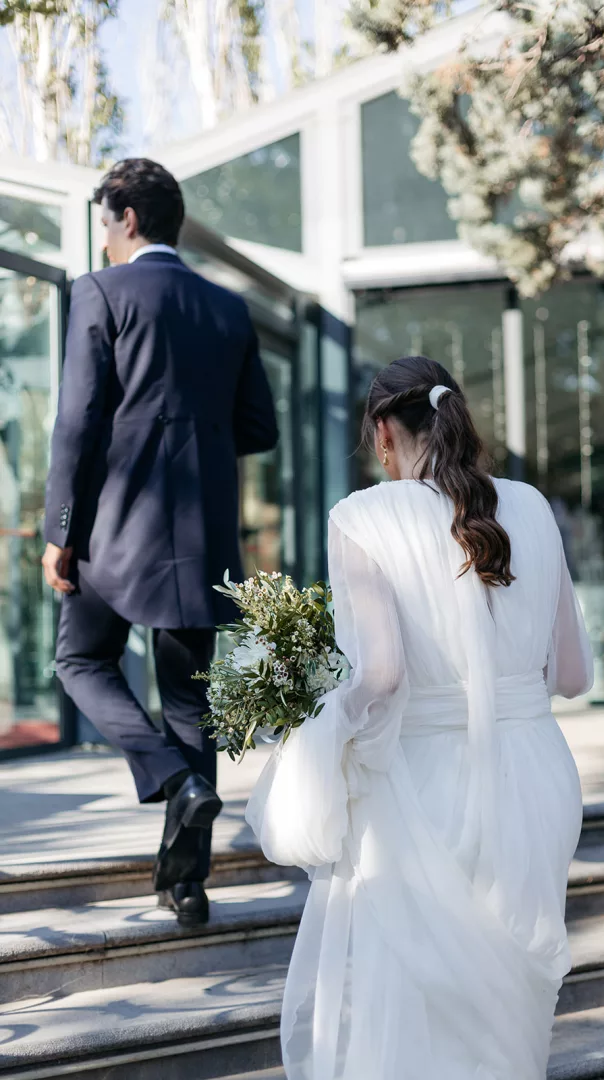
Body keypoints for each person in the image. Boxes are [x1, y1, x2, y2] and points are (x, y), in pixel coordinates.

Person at [246, 355, 593, 1079]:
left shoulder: (363, 517)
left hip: (426, 783)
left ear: (382, 433)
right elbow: (572, 675)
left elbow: (382, 674)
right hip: (537, 777)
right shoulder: (532, 505)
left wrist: (309, 712)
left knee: (418, 1002)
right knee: (511, 1010)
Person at [42, 159, 278, 927]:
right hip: (201, 536)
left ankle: (172, 776)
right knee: (189, 702)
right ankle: (187, 887)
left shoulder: (100, 291)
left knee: (80, 660)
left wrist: (60, 532)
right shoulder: (226, 308)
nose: (104, 237)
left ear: (129, 219)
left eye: (106, 222)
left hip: (115, 532)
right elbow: (259, 429)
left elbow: (77, 421)